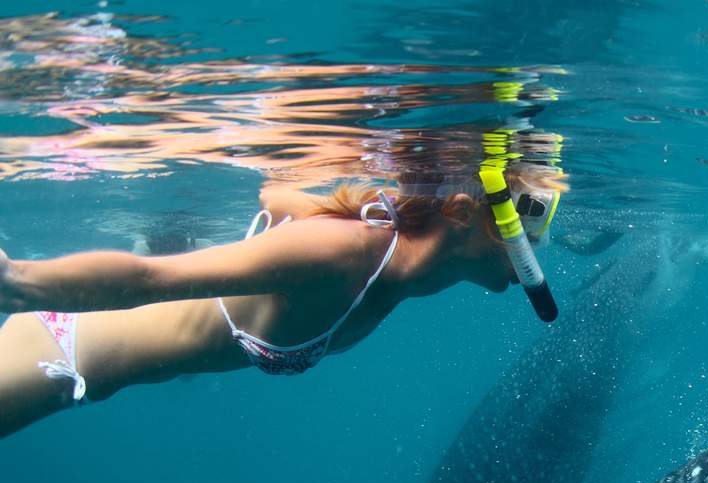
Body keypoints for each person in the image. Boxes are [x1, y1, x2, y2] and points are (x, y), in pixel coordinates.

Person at [0, 166, 566, 436]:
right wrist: (17, 279)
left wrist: (294, 190)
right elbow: (148, 280)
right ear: (464, 214)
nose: (533, 251)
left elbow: (276, 191)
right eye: (522, 230)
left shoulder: (396, 269)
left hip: (80, 376)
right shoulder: (341, 254)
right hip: (56, 352)